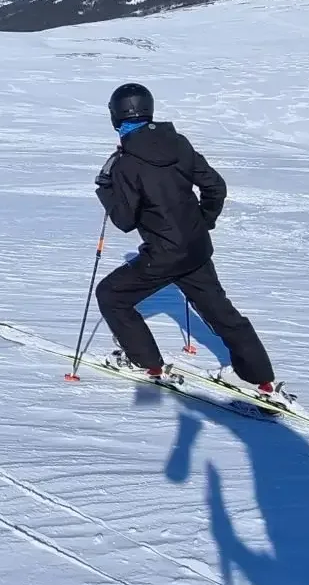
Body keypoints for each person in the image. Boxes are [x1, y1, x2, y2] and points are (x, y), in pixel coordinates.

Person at [92, 83, 287, 404]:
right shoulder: (178, 143)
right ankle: (259, 380)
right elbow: (215, 187)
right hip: (196, 248)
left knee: (111, 295)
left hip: (164, 255)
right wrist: (202, 222)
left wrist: (105, 188)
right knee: (223, 313)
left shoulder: (126, 163)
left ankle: (147, 365)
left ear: (116, 116)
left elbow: (124, 221)